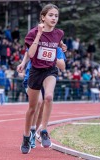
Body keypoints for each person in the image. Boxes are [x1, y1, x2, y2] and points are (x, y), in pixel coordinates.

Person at [20, 3, 65, 154]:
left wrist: (62, 46)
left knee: (49, 97)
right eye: (51, 15)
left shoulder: (59, 33)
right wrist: (39, 34)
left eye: (56, 16)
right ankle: (26, 137)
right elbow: (31, 54)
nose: (54, 18)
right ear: (43, 17)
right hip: (35, 71)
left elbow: (56, 43)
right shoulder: (33, 33)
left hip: (50, 70)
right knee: (32, 108)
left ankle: (44, 130)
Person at [18, 47, 66, 149]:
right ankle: (28, 133)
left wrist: (51, 57)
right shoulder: (38, 40)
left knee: (43, 106)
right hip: (32, 77)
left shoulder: (57, 47)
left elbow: (62, 66)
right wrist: (23, 63)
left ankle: (33, 132)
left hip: (47, 77)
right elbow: (28, 52)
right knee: (38, 103)